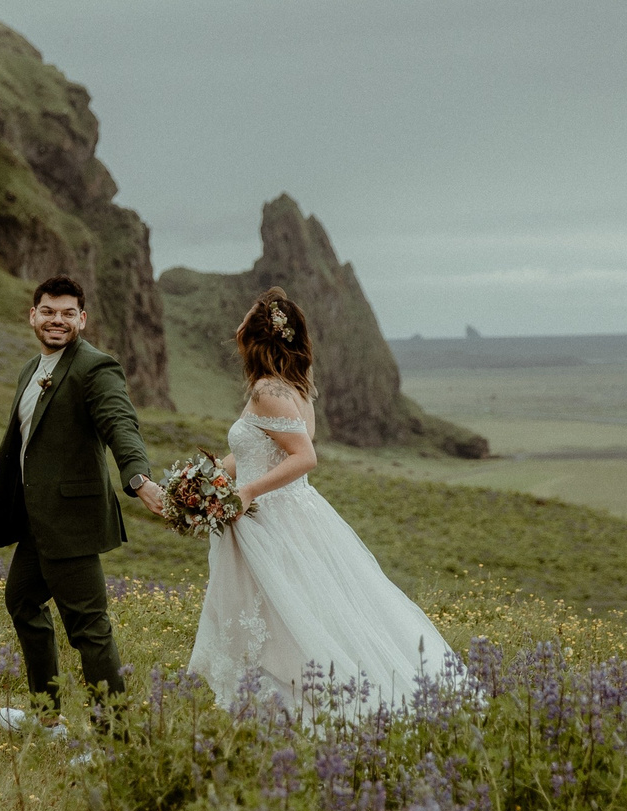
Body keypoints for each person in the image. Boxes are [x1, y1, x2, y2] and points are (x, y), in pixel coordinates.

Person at [187, 285, 456, 713]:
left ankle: (293, 702)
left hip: (268, 516)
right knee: (297, 607)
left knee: (283, 612)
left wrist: (247, 493)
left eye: (243, 330)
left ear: (254, 339)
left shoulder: (268, 392)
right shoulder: (292, 388)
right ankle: (271, 700)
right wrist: (202, 482)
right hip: (286, 512)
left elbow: (304, 456)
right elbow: (253, 451)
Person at [0, 275, 164, 726]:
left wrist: (139, 478)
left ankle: (116, 739)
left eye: (68, 313)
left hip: (72, 522)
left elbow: (120, 425)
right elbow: (21, 455)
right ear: (32, 316)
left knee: (89, 629)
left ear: (82, 319)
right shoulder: (31, 370)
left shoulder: (95, 367)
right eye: (48, 311)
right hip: (37, 522)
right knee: (23, 601)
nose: (58, 320)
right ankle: (47, 718)